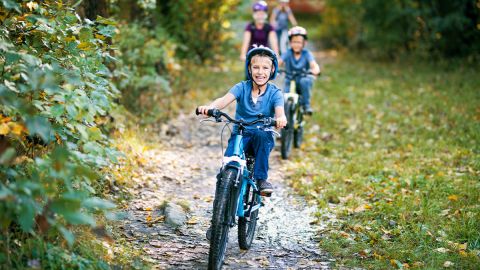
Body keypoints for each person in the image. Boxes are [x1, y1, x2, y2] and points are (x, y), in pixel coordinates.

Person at [197, 46, 287, 194]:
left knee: (262, 135)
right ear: (249, 69)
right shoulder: (241, 87)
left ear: (272, 70)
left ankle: (260, 179)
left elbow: (280, 112)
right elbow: (224, 100)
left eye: (265, 68)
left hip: (261, 136)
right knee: (229, 163)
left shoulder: (275, 93)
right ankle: (223, 195)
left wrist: (281, 119)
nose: (260, 72)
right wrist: (210, 108)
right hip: (241, 134)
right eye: (256, 67)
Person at [279, 26, 321, 115]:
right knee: (284, 97)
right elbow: (279, 61)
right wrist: (272, 68)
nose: (296, 44)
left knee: (305, 82)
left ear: (304, 43)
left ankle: (306, 106)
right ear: (290, 43)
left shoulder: (307, 54)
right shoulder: (288, 53)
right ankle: (283, 114)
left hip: (302, 77)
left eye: (299, 42)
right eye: (294, 42)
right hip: (289, 78)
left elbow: (313, 64)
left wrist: (316, 70)